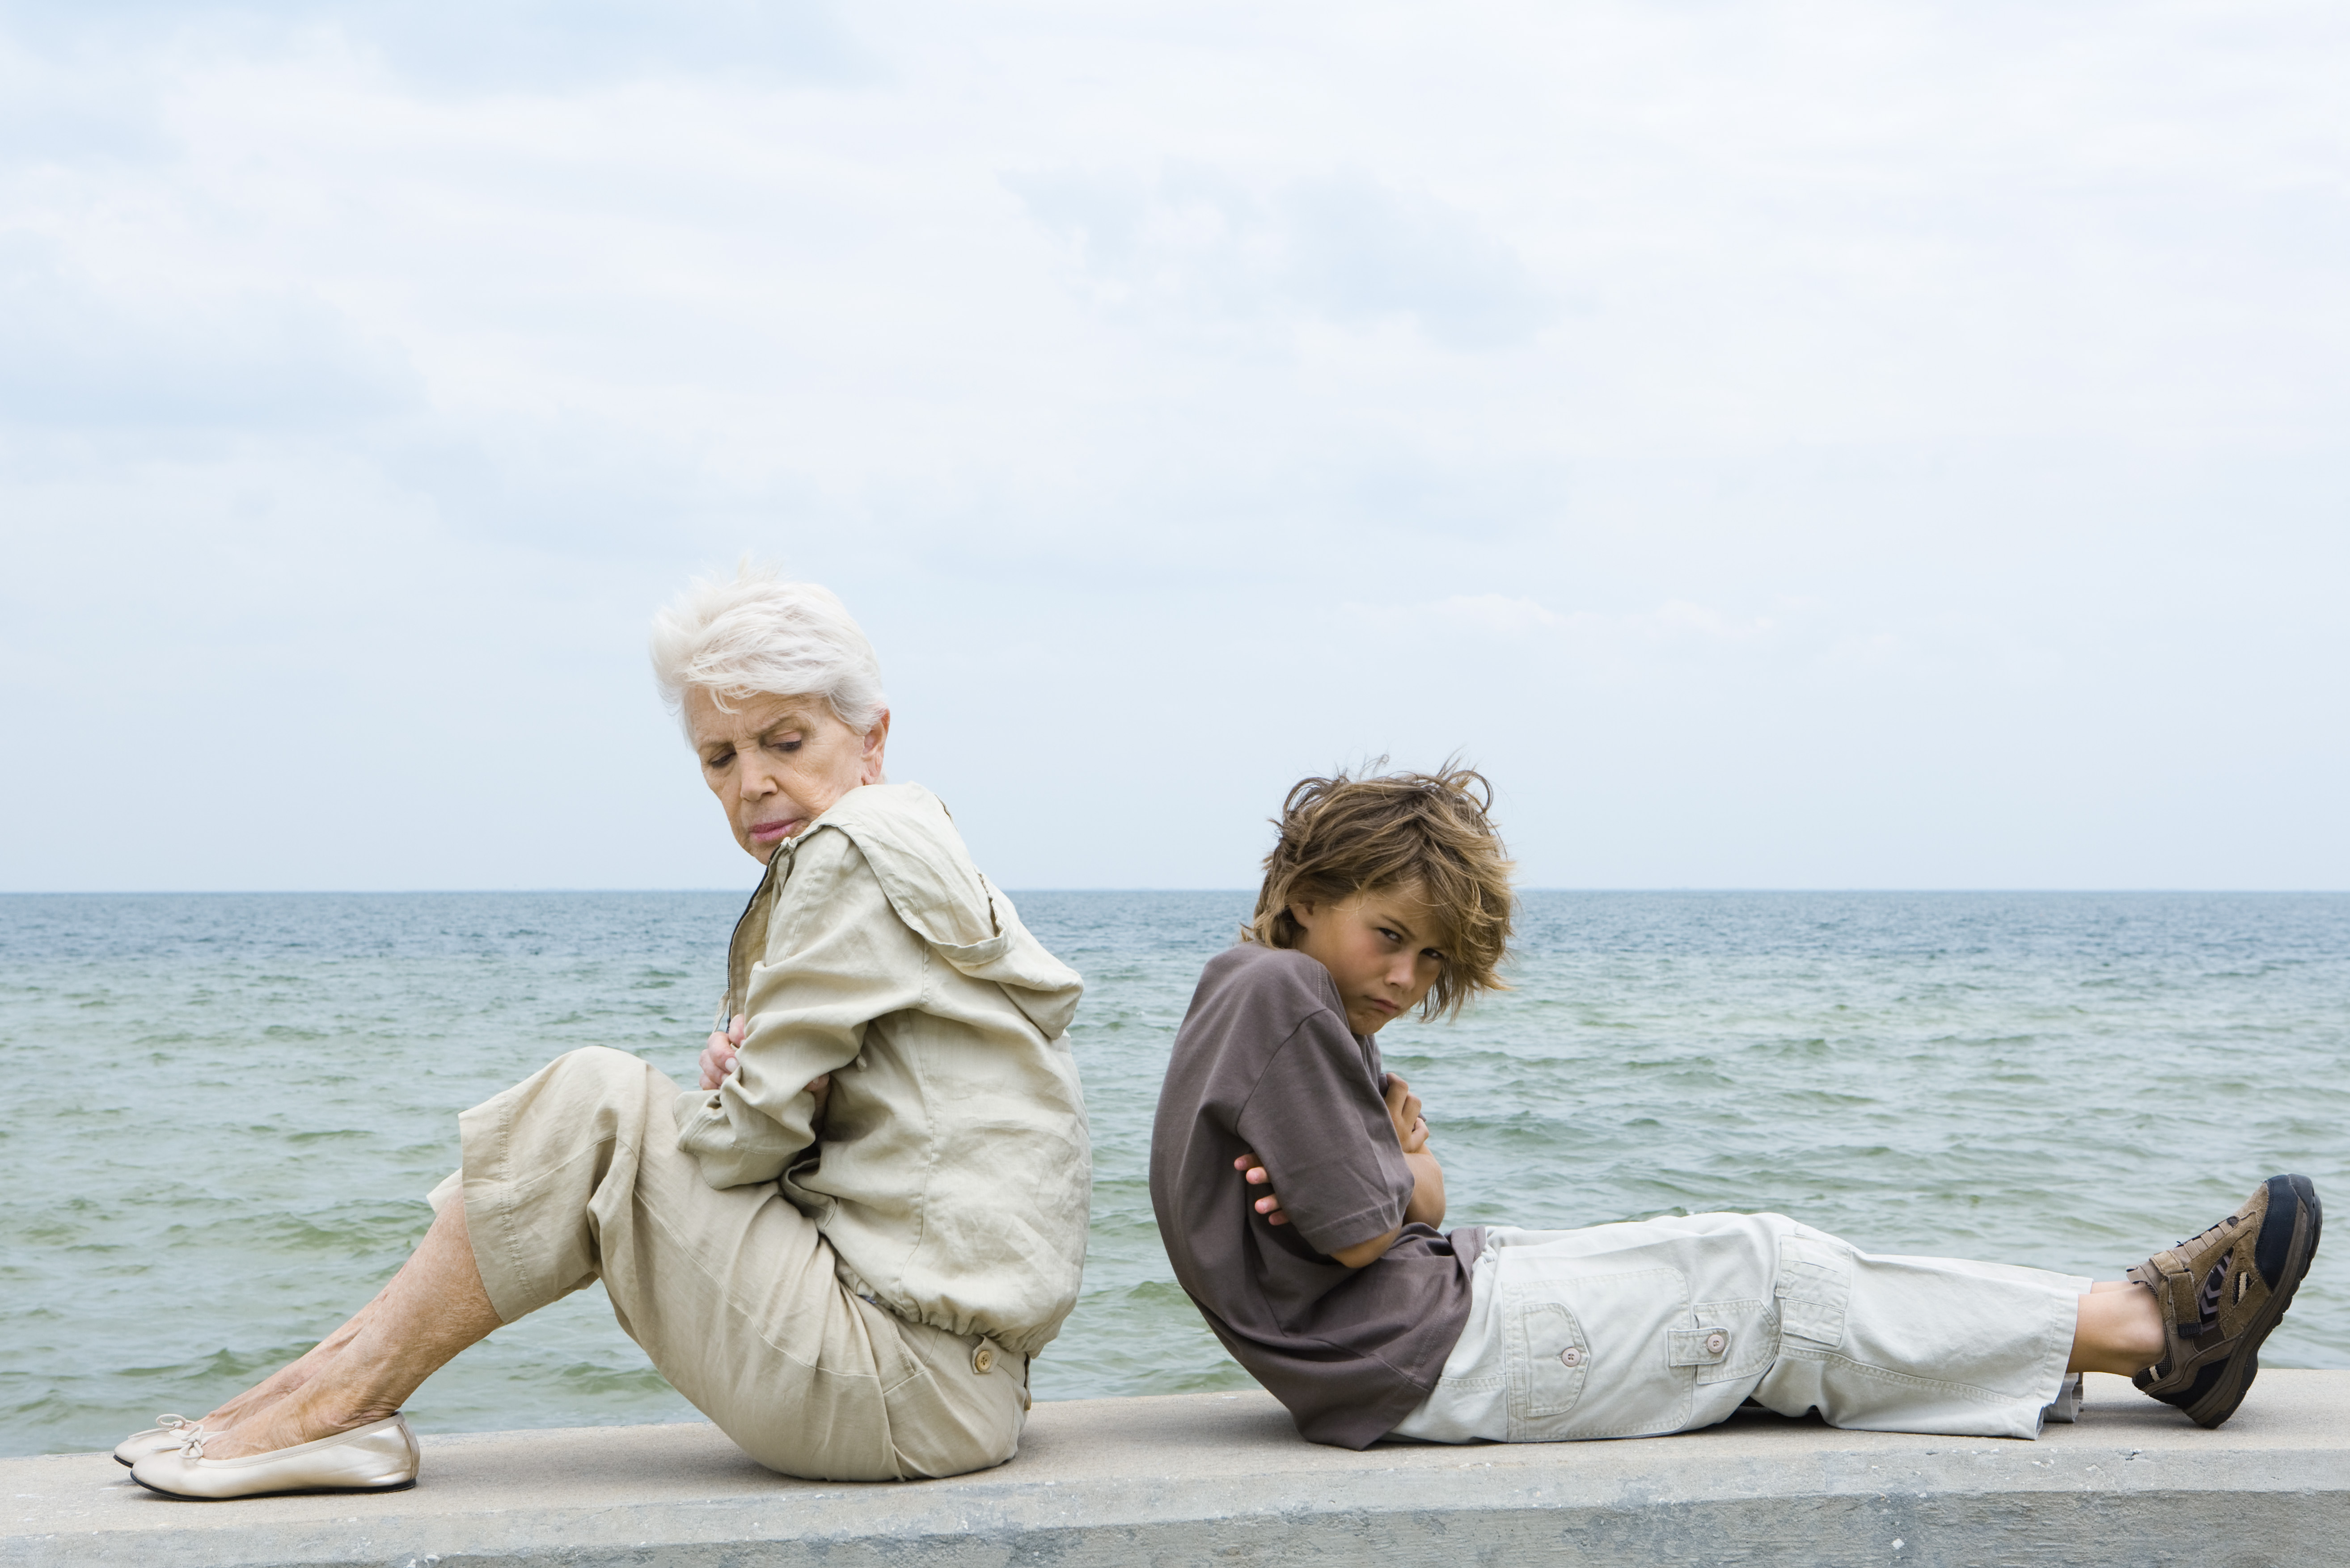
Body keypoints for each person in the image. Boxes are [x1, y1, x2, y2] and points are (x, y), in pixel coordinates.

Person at [120, 564, 1092, 1497]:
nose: (751, 781)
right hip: (968, 1386)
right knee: (591, 1120)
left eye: (785, 741)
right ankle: (299, 1396)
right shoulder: (924, 854)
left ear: (871, 738)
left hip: (904, 1388)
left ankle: (330, 1404)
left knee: (593, 1105)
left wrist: (731, 1106)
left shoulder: (851, 854)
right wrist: (760, 1098)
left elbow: (746, 1148)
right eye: (721, 754)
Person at [1149, 766, 2321, 1449]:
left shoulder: (1277, 1004)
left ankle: (2107, 1333)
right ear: (1303, 897)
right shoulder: (1280, 987)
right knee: (1764, 1279)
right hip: (1429, 1353)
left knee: (1758, 1267)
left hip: (1429, 1330)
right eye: (1388, 935)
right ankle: (2154, 1331)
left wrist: (1390, 1168)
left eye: (1431, 957)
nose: (1404, 978)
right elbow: (1369, 1227)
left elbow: (1395, 1203)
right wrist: (1390, 1175)